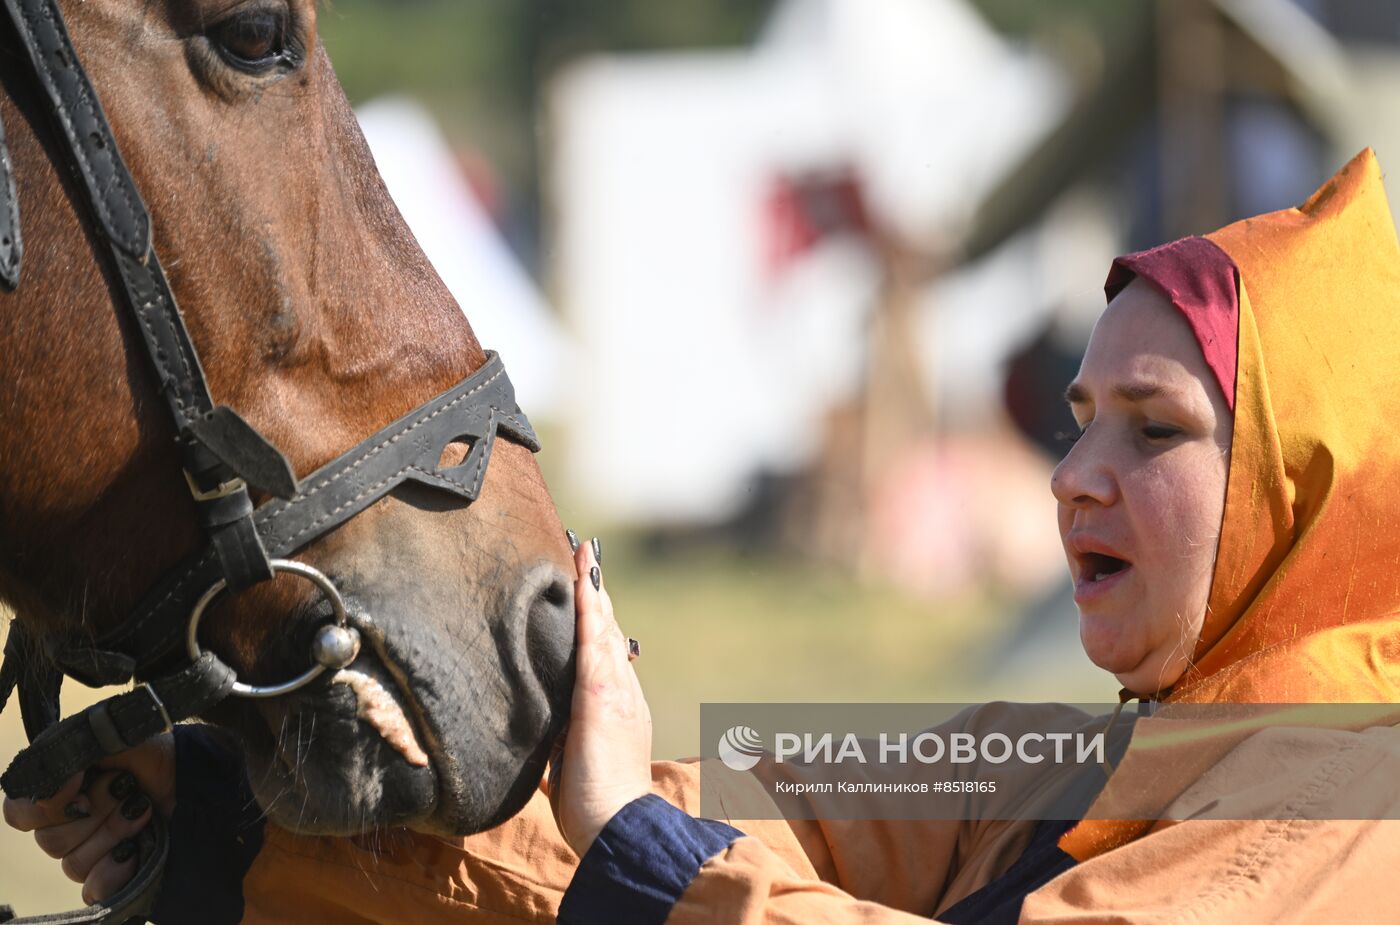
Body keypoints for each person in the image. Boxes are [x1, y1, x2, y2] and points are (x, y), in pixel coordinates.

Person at [7, 148, 1400, 923]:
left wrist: (642, 849)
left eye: (1152, 431)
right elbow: (735, 797)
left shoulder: (1358, 802)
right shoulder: (1077, 754)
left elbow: (650, 843)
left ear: (1309, 478)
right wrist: (230, 814)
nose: (1077, 476)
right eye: (1078, 417)